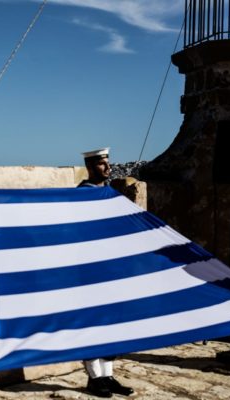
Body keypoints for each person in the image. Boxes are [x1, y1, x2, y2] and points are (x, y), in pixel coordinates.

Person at [78, 148, 133, 398]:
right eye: (102, 164)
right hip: (90, 270)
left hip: (111, 269)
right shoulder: (81, 195)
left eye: (108, 163)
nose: (108, 168)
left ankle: (108, 376)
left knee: (112, 322)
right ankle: (94, 377)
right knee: (92, 322)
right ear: (90, 167)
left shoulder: (110, 193)